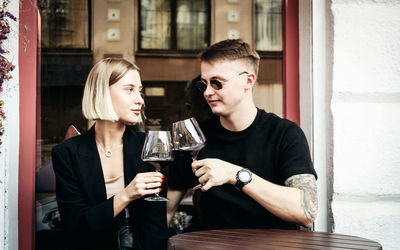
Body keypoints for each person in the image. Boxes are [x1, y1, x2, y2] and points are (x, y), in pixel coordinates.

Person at [167, 39, 318, 231]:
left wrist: (235, 175)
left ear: (248, 81)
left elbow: (306, 212)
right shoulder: (196, 138)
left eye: (217, 83)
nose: (207, 92)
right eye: (203, 84)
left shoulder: (285, 133)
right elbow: (166, 209)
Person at [52, 58, 169, 250]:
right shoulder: (67, 153)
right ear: (101, 92)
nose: (140, 99)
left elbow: (155, 226)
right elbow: (76, 226)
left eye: (139, 90)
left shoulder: (148, 145)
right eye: (129, 89)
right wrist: (127, 195)